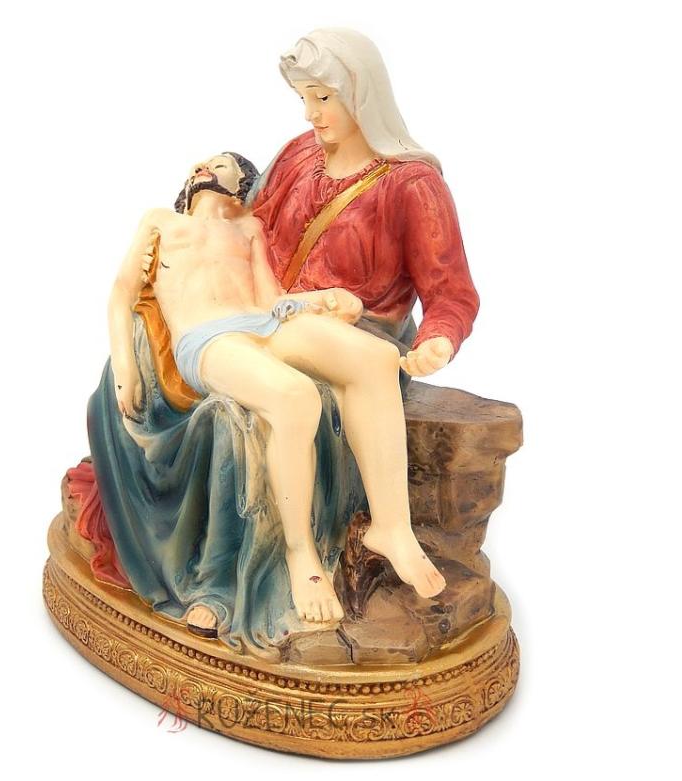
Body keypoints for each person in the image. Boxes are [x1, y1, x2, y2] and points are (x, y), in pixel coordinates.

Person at [107, 151, 446, 633]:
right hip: (208, 337)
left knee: (376, 359)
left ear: (241, 184)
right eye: (201, 162)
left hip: (264, 322)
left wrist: (325, 302)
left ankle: (392, 527)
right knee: (295, 397)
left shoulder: (248, 228)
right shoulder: (161, 222)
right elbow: (121, 294)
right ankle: (300, 551)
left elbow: (272, 300)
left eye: (221, 162)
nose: (205, 166)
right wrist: (125, 367)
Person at [250, 28, 480, 380]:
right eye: (303, 98)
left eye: (322, 97)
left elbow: (450, 292)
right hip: (265, 319)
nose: (310, 113)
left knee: (270, 389)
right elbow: (247, 224)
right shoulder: (298, 154)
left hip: (354, 347)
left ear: (361, 95)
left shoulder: (413, 185)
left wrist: (438, 340)